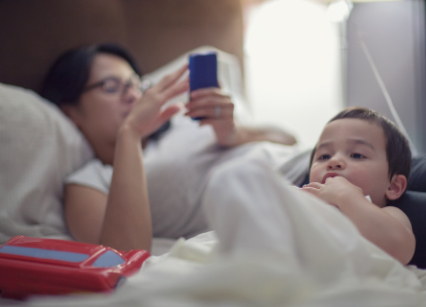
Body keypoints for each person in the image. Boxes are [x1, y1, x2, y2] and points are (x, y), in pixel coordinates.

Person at [40, 43, 297, 252]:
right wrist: (129, 134)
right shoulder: (89, 180)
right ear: (70, 111)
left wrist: (236, 133)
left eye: (134, 84)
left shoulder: (188, 119)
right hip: (294, 204)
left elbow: (289, 140)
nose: (132, 95)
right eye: (111, 87)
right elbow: (121, 257)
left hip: (314, 165)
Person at [300, 107, 415, 265]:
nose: (333, 161)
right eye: (324, 156)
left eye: (357, 155)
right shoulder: (303, 200)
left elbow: (398, 247)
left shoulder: (388, 215)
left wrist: (346, 196)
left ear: (393, 186)